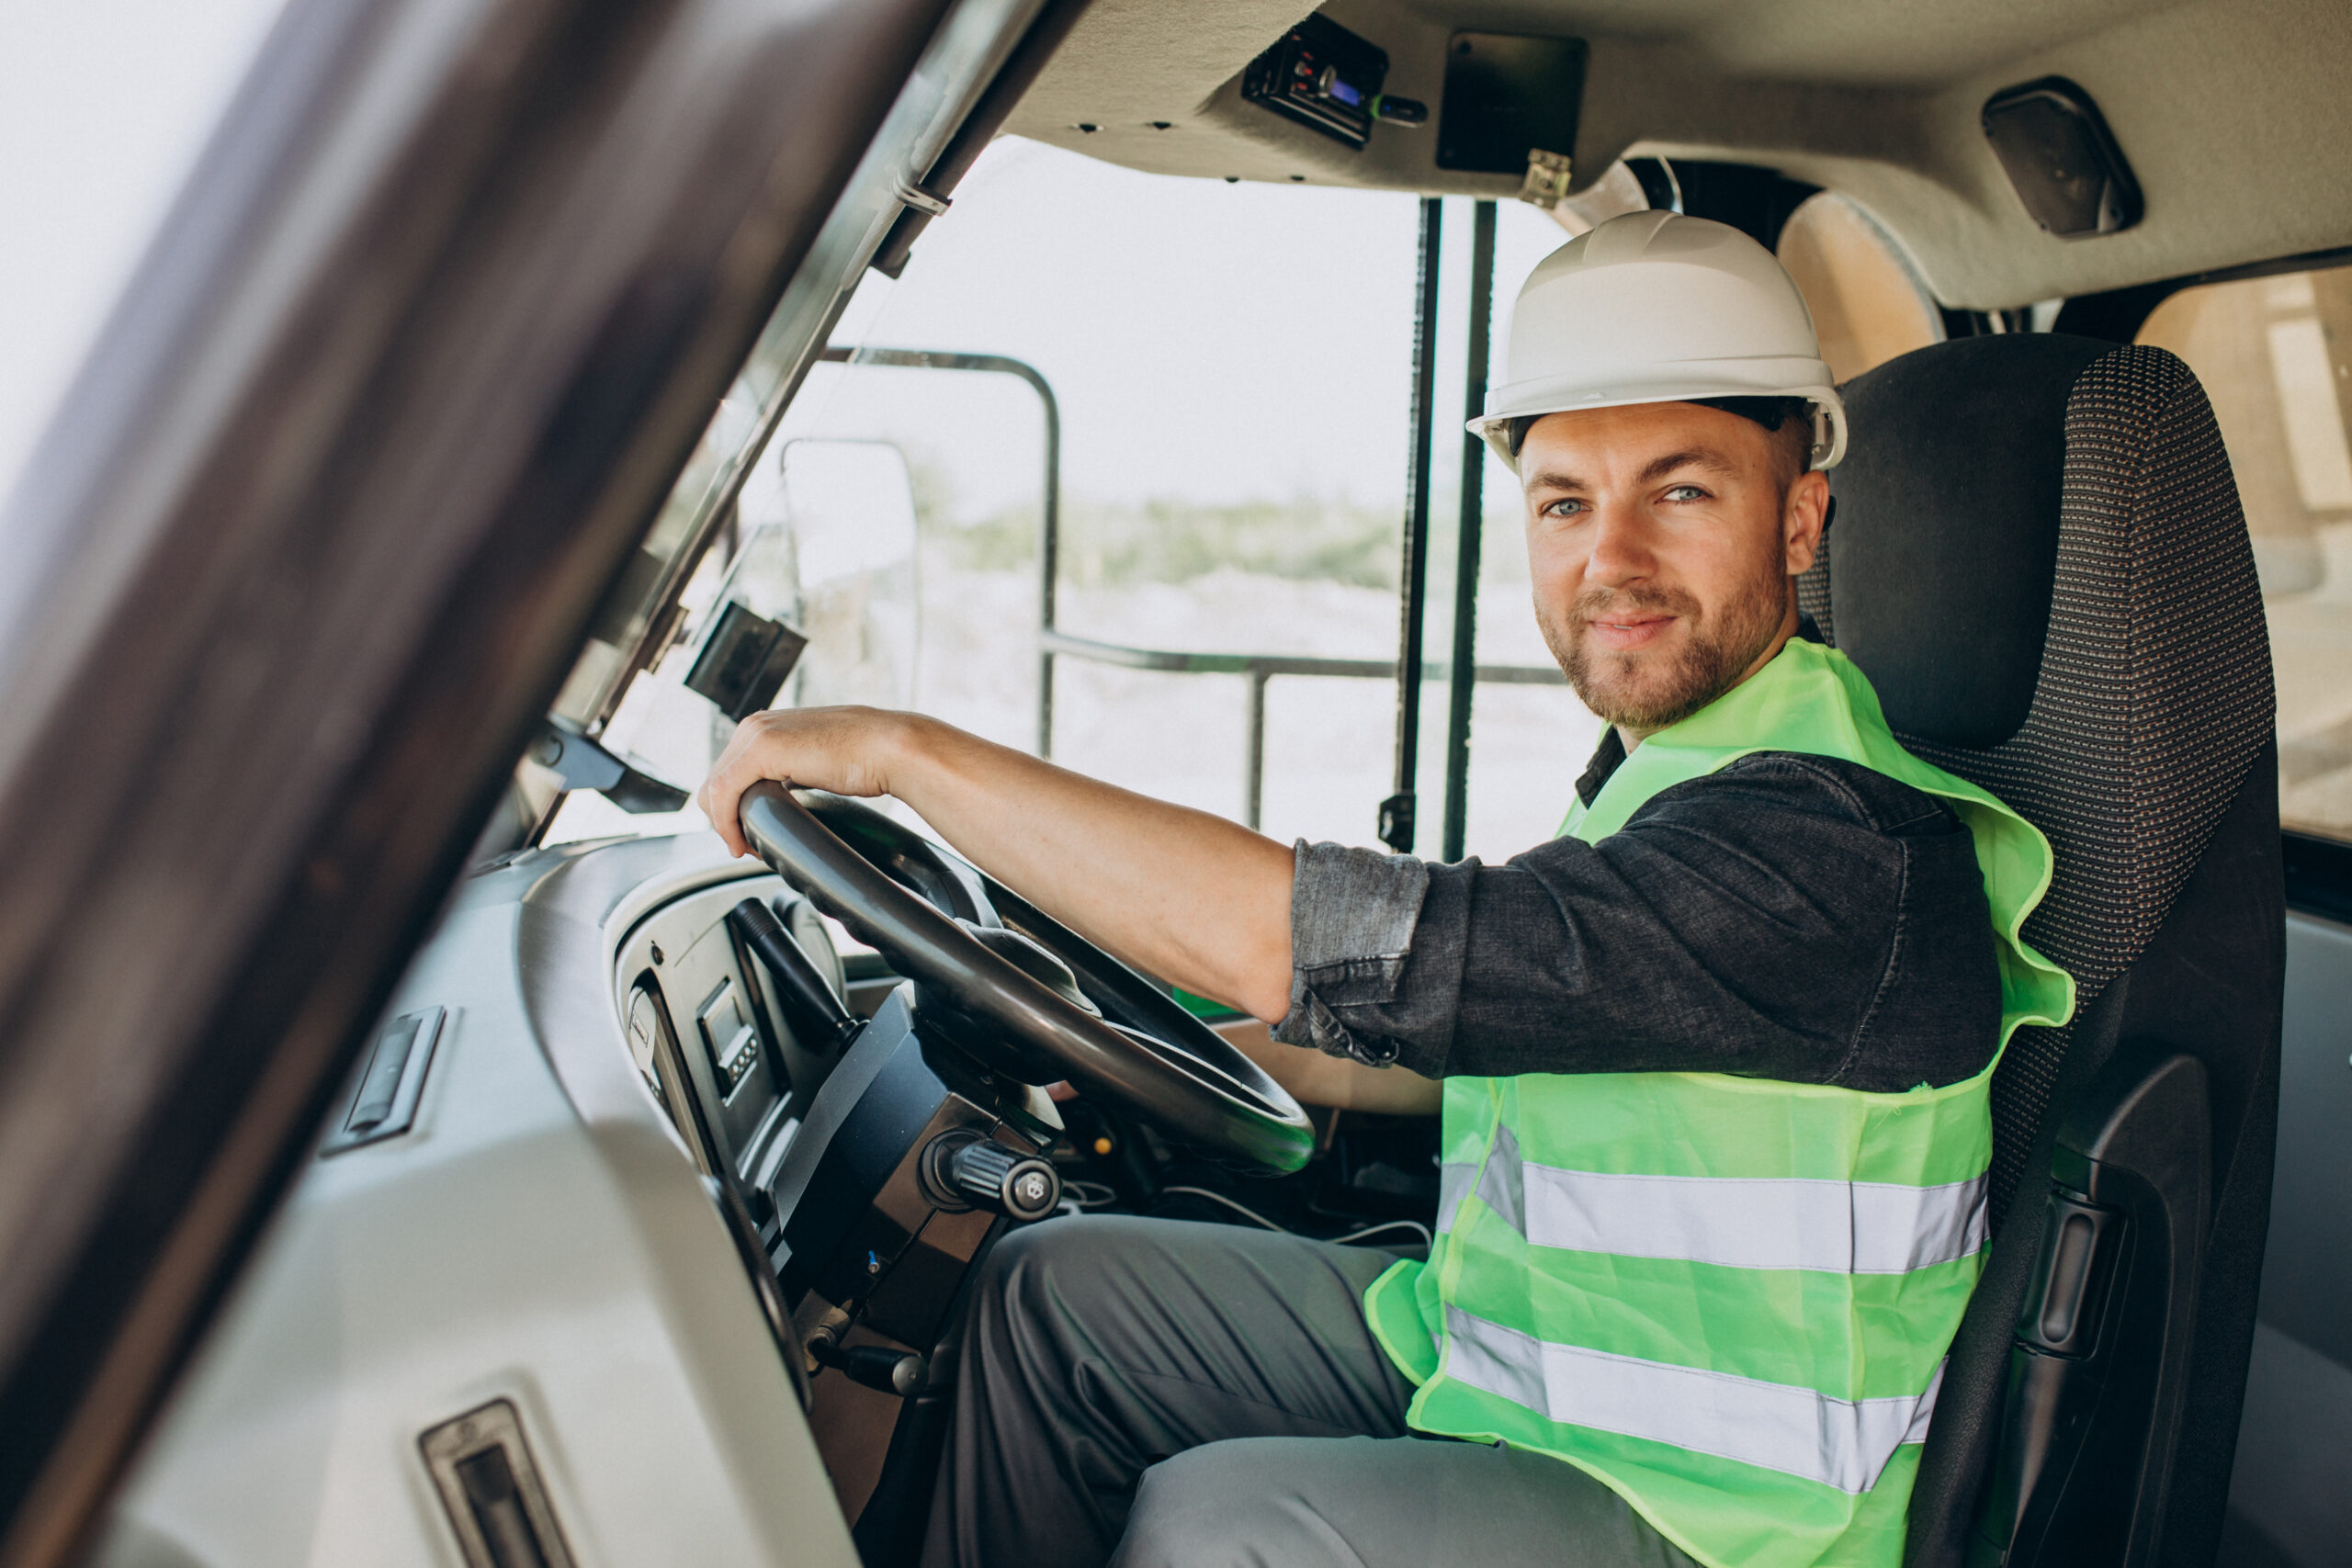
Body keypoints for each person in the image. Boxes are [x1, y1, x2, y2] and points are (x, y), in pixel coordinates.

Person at [697, 212, 2075, 1568]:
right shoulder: (1688, 777)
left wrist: (899, 753)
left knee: (1225, 1532)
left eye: (1683, 489)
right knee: (1053, 1295)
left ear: (1800, 521)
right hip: (1521, 1361)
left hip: (1725, 1514)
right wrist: (1166, 1063)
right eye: (1564, 503)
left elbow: (1333, 946)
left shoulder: (1830, 844)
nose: (1613, 561)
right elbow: (1507, 1026)